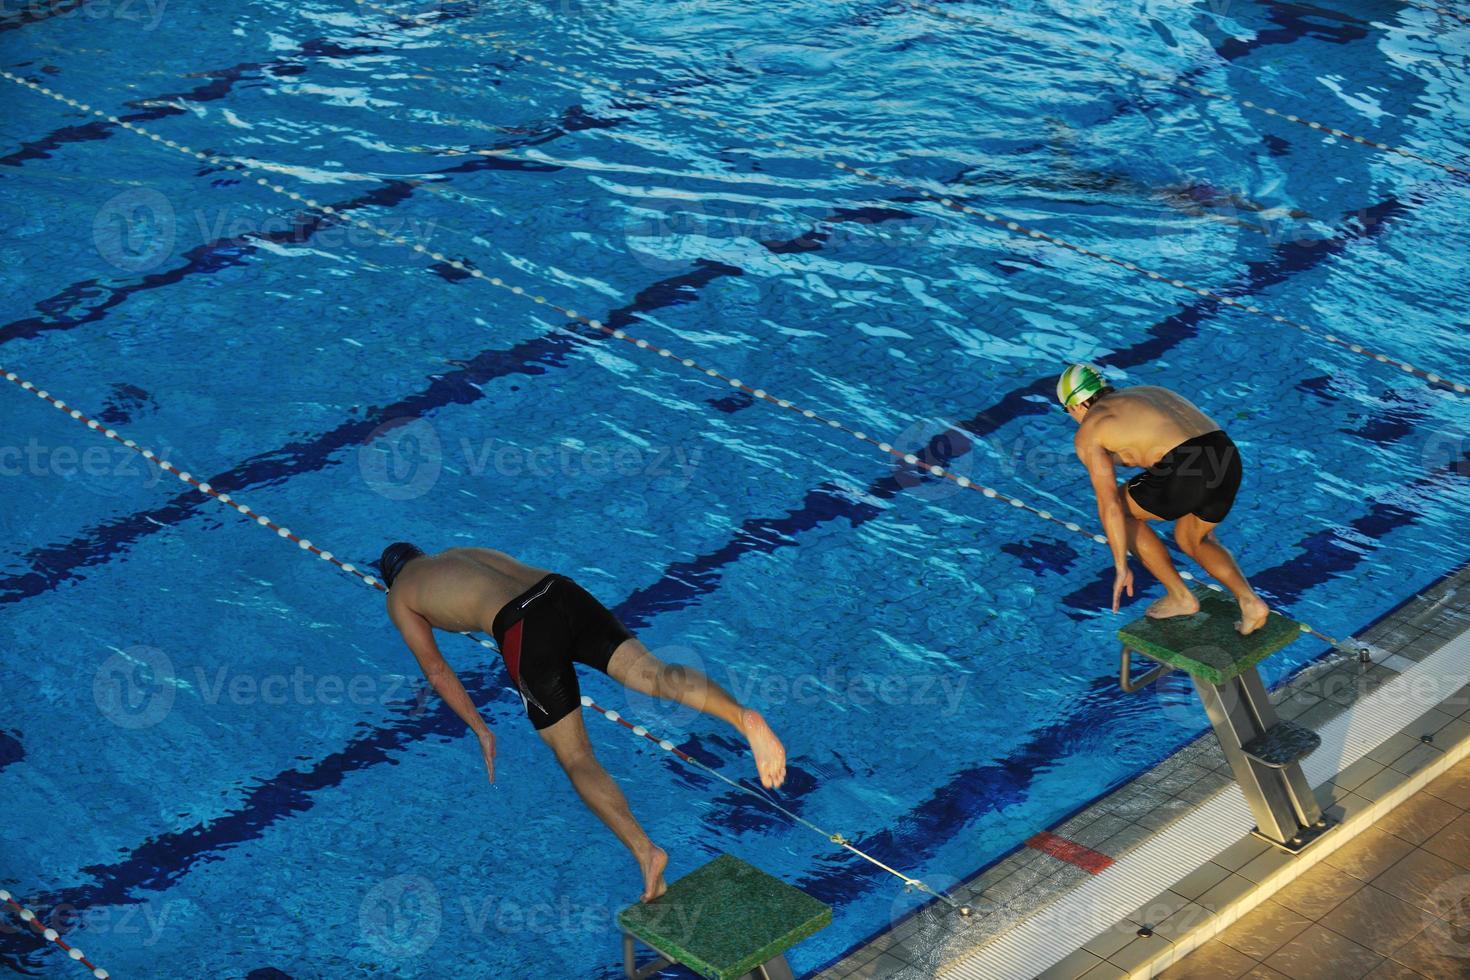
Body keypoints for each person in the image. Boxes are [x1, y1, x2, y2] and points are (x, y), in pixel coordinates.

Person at [377, 543, 787, 902]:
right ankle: (742, 717)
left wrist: (481, 729)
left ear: (392, 576)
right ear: (419, 554)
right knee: (654, 674)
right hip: (563, 593)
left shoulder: (400, 595)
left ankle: (647, 852)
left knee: (575, 756)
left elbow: (437, 671)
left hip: (522, 624)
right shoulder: (460, 553)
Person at [1059, 364, 1271, 635]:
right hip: (1226, 456)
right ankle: (1250, 601)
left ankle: (1180, 596)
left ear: (1075, 405)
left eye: (1067, 411)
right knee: (1193, 538)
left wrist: (1121, 565)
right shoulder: (1148, 392)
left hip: (1186, 466)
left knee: (1122, 511)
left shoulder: (1090, 429)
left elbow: (1109, 504)